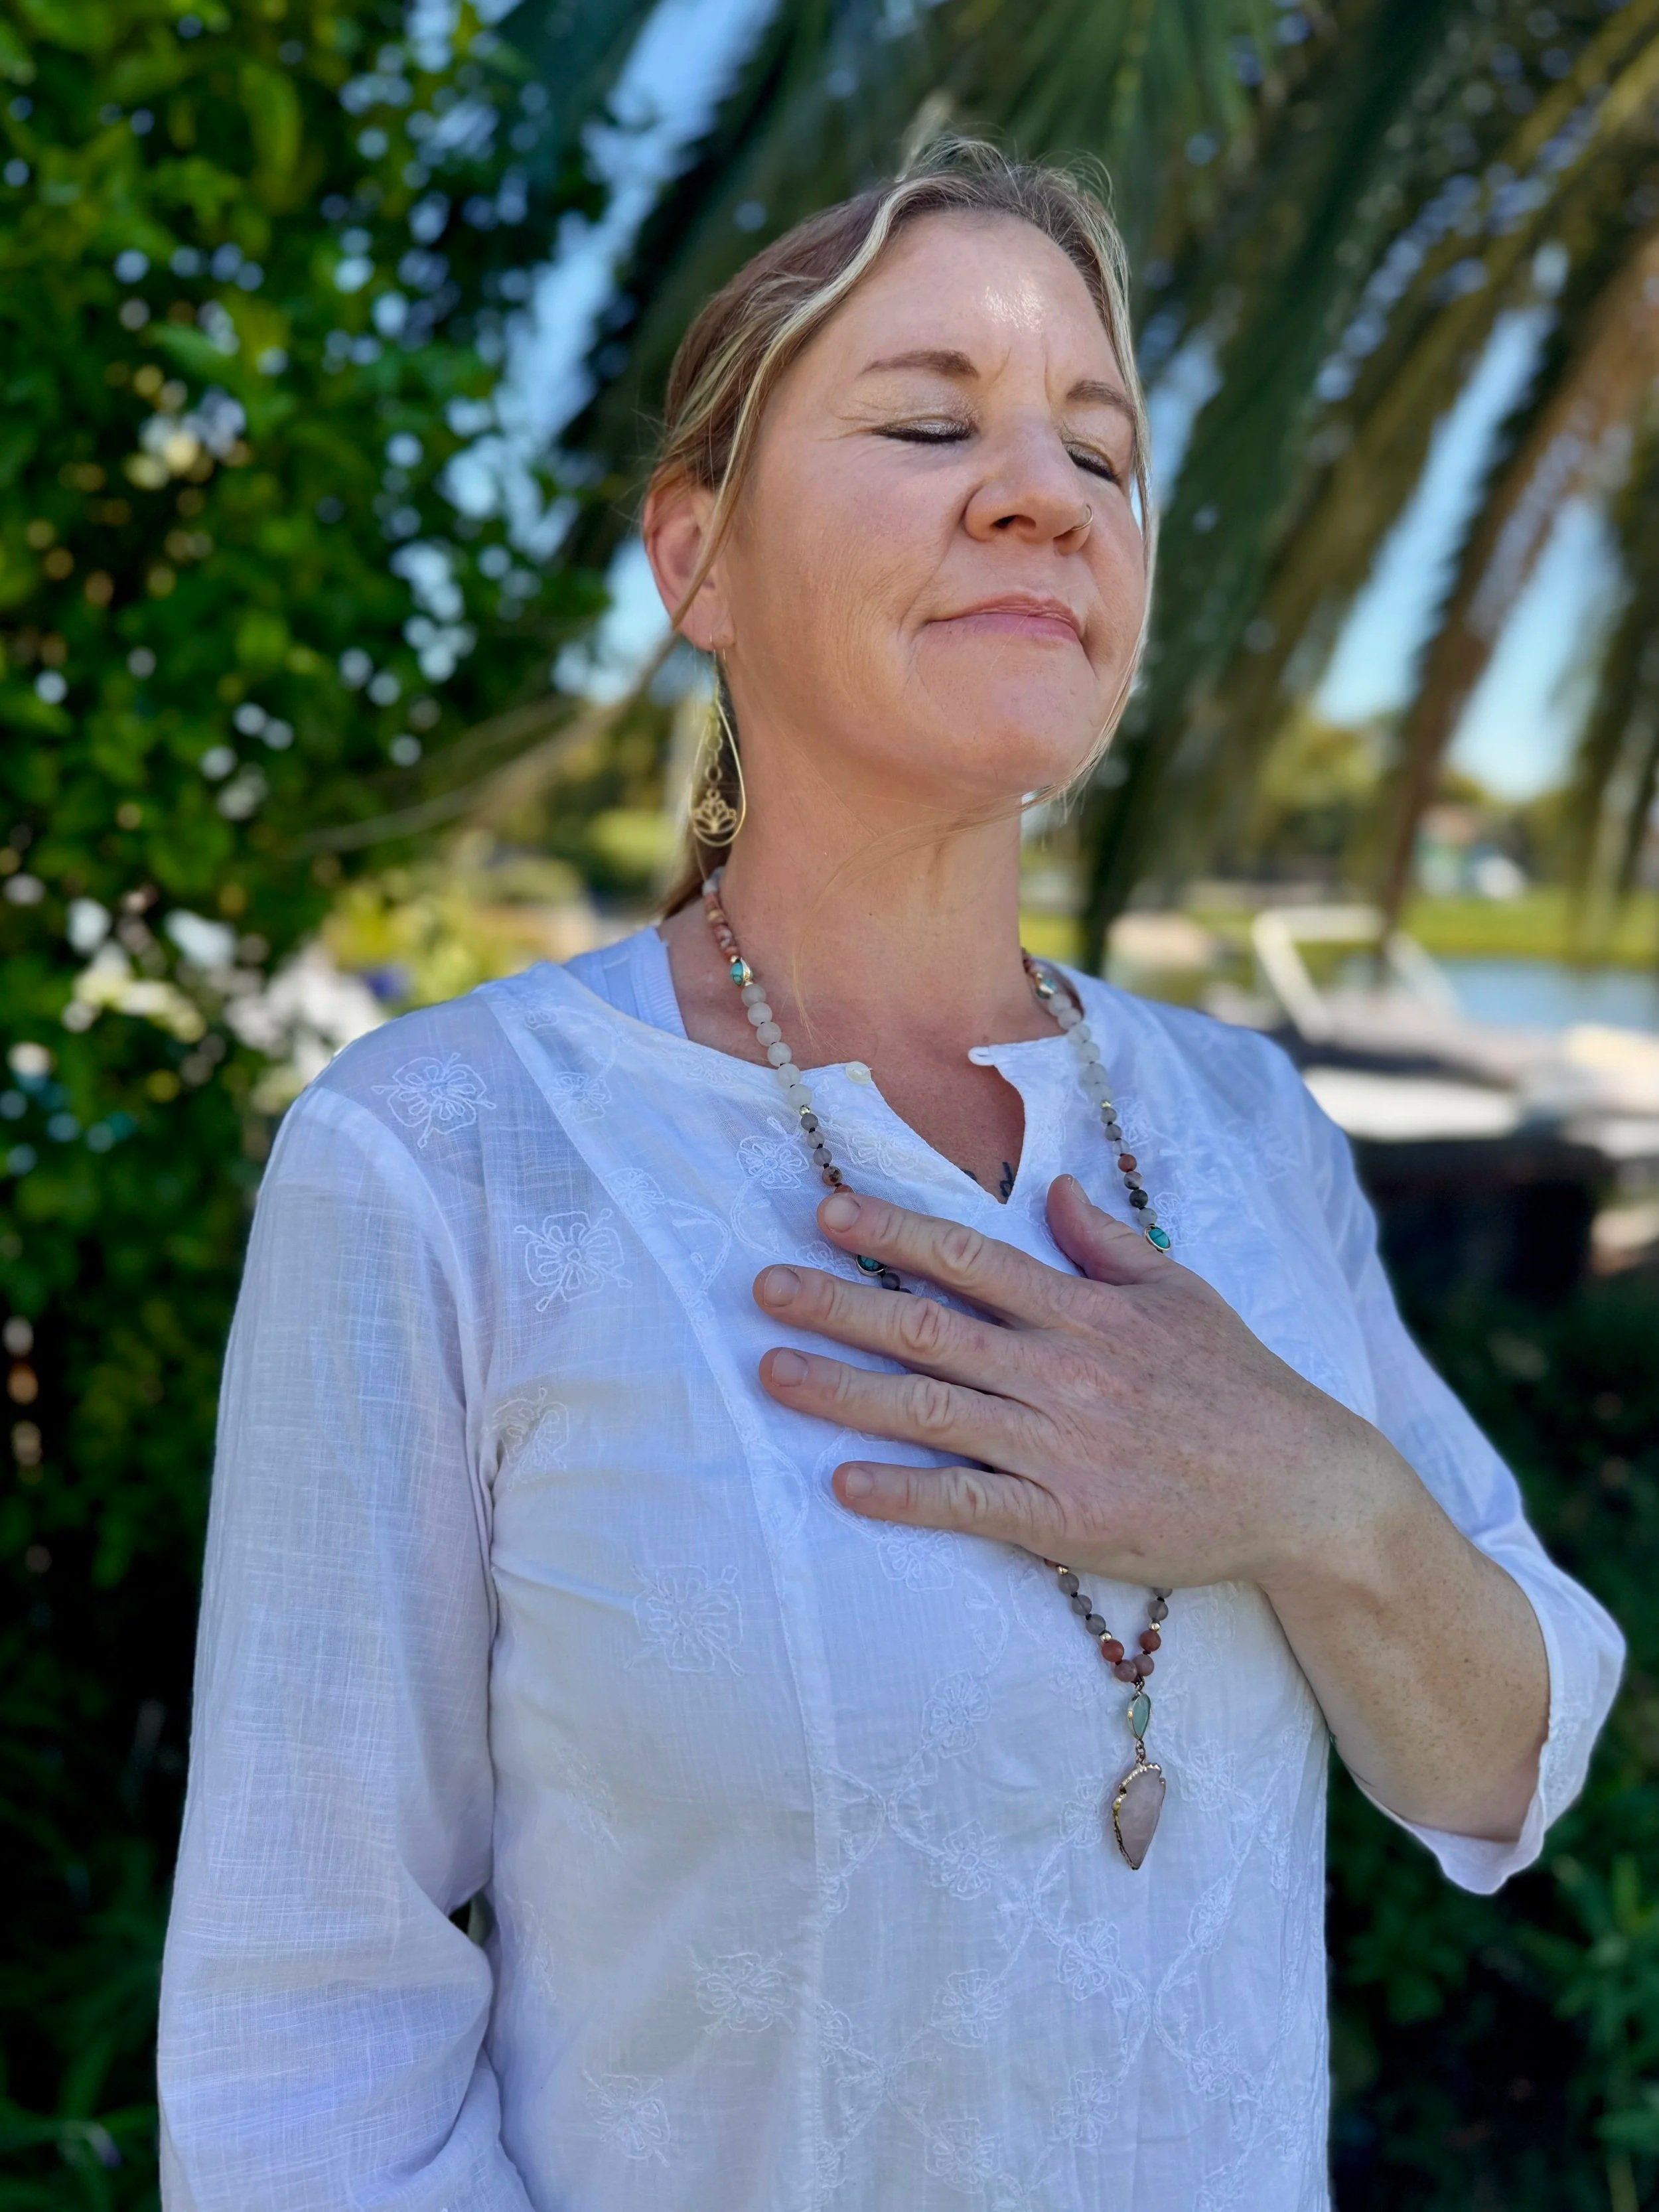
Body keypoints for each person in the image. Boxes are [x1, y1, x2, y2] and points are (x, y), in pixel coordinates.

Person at [158, 139, 1623, 2211]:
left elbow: (1500, 1763)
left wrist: (1314, 1494)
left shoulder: (1245, 1130)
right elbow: (305, 2049)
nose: (1042, 493)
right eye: (929, 424)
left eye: (1099, 453)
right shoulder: (444, 1160)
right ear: (699, 560)